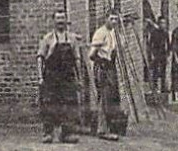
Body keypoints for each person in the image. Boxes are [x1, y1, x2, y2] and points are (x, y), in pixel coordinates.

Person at [37, 10, 82, 143]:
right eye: (58, 18)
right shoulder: (48, 38)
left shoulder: (72, 39)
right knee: (49, 103)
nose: (60, 21)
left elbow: (77, 59)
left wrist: (78, 78)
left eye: (62, 18)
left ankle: (67, 133)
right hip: (52, 76)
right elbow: (40, 58)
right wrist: (40, 77)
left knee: (69, 103)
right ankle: (48, 133)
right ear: (54, 21)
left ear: (66, 20)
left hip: (67, 77)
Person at [89, 12, 128, 140]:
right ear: (106, 19)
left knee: (112, 96)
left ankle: (112, 127)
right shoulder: (101, 33)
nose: (114, 22)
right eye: (111, 19)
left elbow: (121, 46)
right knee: (105, 97)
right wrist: (101, 67)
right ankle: (102, 129)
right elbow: (92, 54)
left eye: (116, 19)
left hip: (111, 66)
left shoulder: (114, 33)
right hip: (102, 66)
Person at [144, 6, 170, 97]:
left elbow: (168, 44)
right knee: (155, 71)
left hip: (163, 54)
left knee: (163, 71)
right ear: (158, 23)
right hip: (156, 54)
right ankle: (155, 87)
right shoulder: (154, 33)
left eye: (164, 23)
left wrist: (168, 53)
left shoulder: (166, 33)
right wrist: (151, 54)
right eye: (161, 23)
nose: (163, 25)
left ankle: (163, 87)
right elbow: (150, 44)